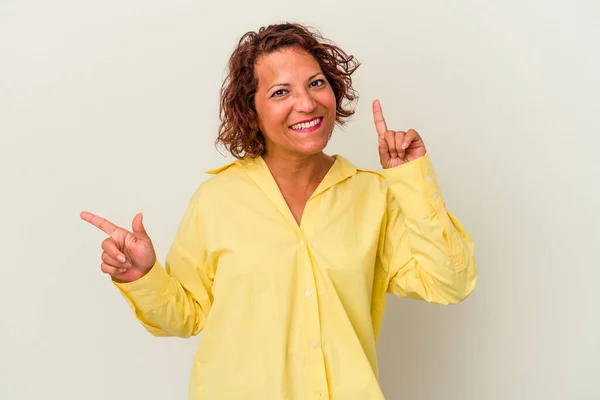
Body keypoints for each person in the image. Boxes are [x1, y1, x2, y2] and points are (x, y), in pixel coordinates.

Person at [81, 22, 477, 400]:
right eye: (280, 92)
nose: (306, 103)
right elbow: (186, 317)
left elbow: (448, 283)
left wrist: (410, 179)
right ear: (250, 111)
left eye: (316, 83)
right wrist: (143, 276)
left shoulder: (373, 196)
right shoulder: (218, 200)